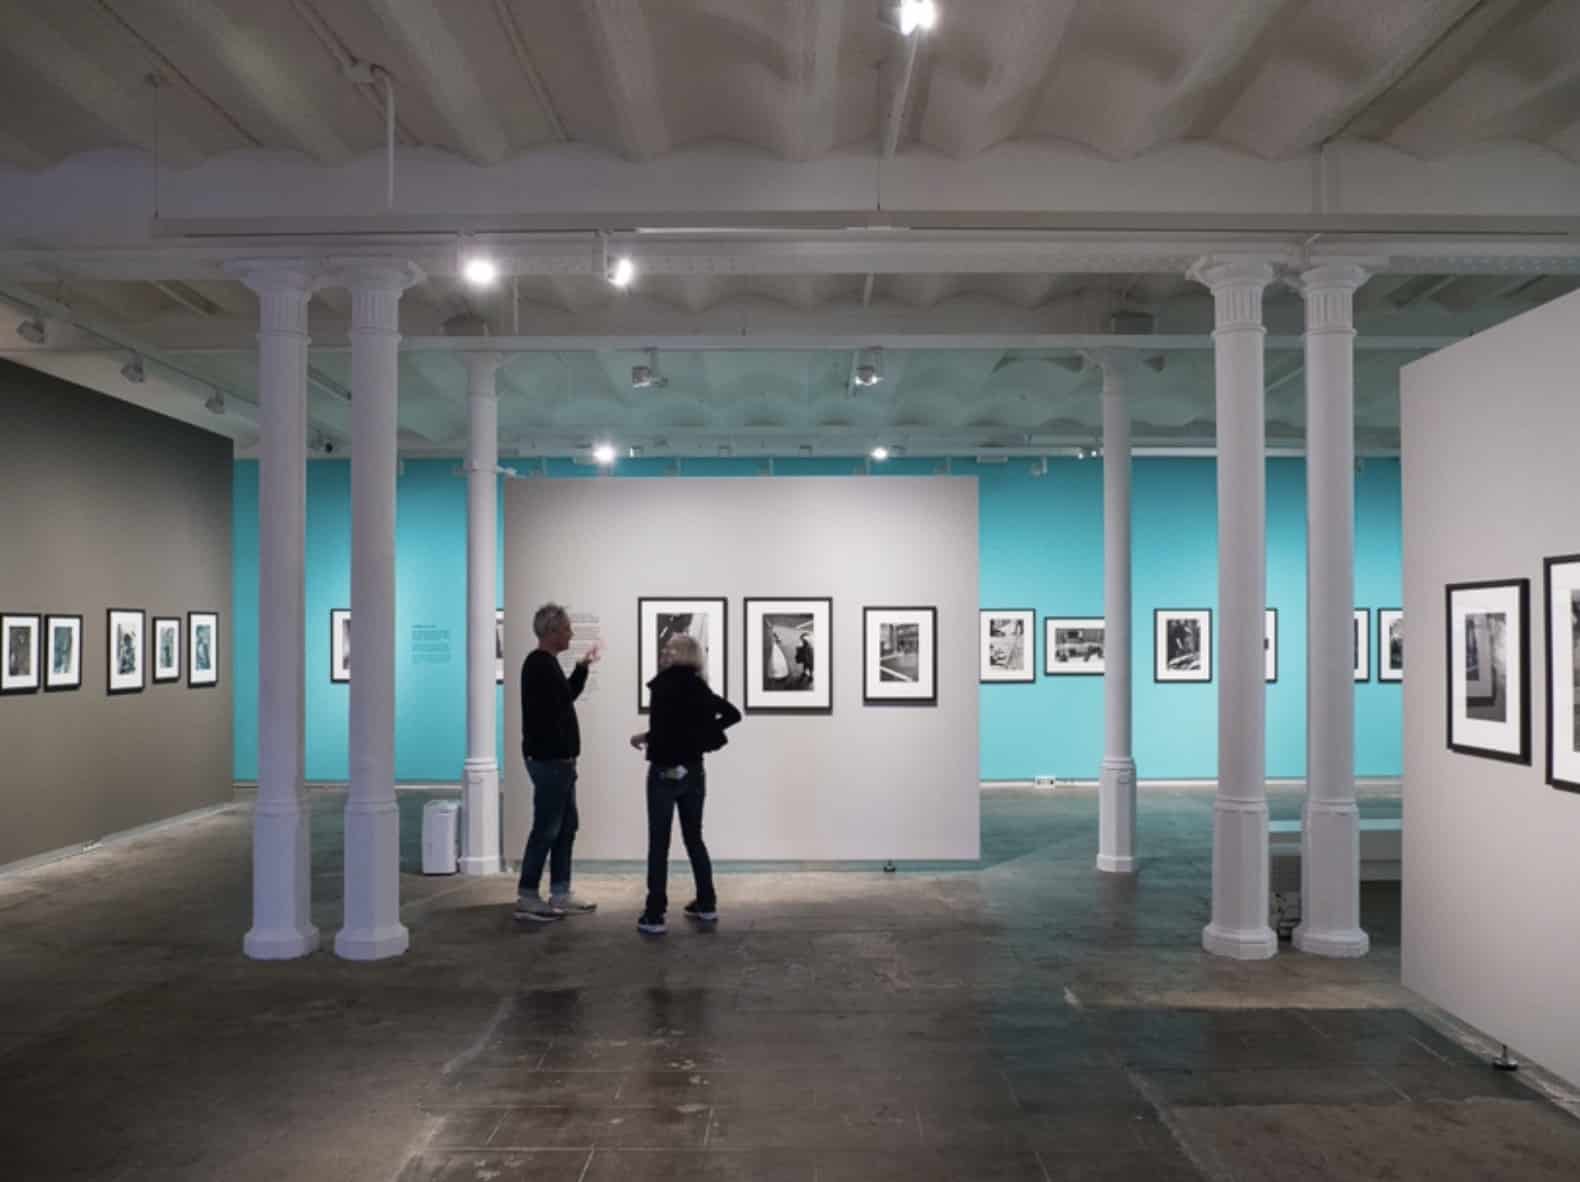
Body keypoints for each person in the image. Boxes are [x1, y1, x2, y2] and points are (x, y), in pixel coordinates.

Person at [629, 633, 741, 934]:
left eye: (670, 650)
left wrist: (649, 738)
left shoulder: (662, 685)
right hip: (693, 772)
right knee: (694, 837)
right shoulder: (698, 686)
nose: (664, 653)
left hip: (664, 772)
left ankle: (654, 914)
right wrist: (704, 735)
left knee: (659, 842)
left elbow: (665, 729)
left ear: (684, 654)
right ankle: (706, 903)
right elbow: (732, 715)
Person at [515, 602, 600, 922]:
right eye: (566, 628)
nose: (571, 633)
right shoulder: (538, 664)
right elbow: (563, 701)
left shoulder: (545, 663)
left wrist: (581, 666)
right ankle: (527, 895)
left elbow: (564, 697)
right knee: (547, 828)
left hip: (559, 761)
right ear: (551, 631)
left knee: (565, 827)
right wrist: (580, 668)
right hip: (550, 761)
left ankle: (561, 893)